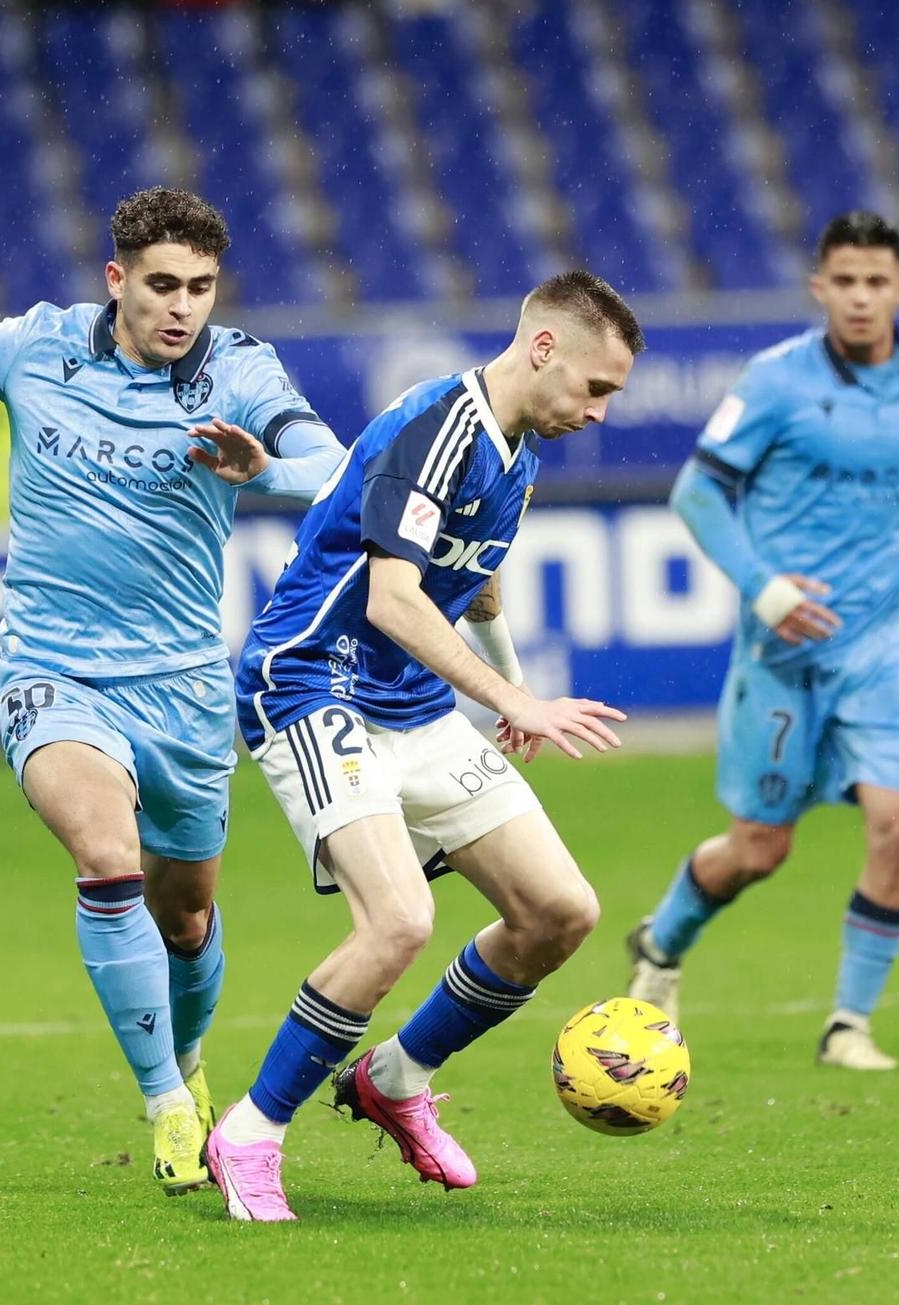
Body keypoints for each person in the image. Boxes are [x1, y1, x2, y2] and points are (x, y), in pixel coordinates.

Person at [0, 188, 343, 1191]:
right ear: (116, 280)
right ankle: (167, 1105)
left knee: (188, 920)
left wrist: (268, 469)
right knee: (103, 856)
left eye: (200, 289)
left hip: (182, 691)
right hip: (52, 670)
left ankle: (188, 1061)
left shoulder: (242, 369)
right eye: (162, 285)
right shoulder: (32, 348)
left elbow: (332, 467)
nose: (181, 308)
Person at [203, 272, 644, 1222]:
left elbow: (474, 581)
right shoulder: (440, 427)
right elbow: (392, 597)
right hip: (311, 683)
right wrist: (517, 697)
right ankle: (248, 1131)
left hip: (409, 702)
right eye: (597, 388)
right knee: (397, 920)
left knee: (559, 912)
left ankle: (394, 1079)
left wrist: (507, 690)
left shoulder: (518, 447)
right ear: (542, 349)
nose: (601, 412)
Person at [624, 211, 899, 1071]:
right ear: (819, 289)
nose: (862, 298)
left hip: (886, 645)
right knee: (759, 849)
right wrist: (762, 586)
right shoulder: (774, 383)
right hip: (782, 655)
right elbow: (696, 492)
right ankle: (661, 940)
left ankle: (849, 1024)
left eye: (878, 282)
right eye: (845, 281)